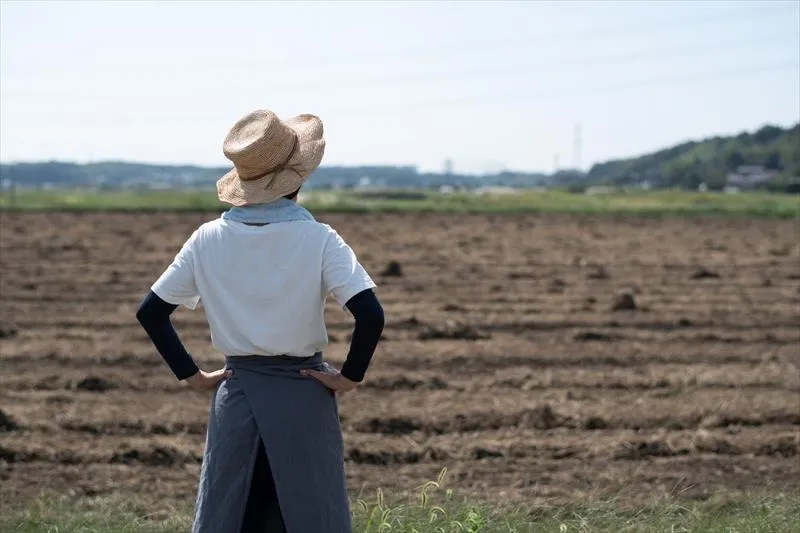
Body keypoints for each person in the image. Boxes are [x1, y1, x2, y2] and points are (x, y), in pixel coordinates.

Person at [135, 109, 385, 533]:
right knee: (311, 517)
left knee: (232, 514)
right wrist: (350, 377)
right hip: (304, 394)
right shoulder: (320, 239)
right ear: (298, 178)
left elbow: (151, 312)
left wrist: (192, 376)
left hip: (238, 393)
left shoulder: (206, 239)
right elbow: (370, 315)